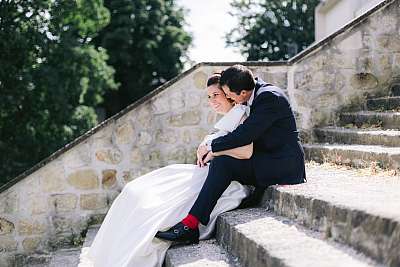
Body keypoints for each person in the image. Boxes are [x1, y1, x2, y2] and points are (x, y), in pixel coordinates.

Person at [78, 74, 253, 267]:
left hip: (220, 177)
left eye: (216, 95)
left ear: (229, 94)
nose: (212, 101)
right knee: (134, 190)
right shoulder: (227, 120)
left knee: (148, 203)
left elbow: (244, 151)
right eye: (209, 97)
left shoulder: (241, 116)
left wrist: (212, 150)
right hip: (205, 172)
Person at [156, 64, 306, 245]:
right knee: (221, 163)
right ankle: (190, 224)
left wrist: (211, 146)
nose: (228, 97)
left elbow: (244, 136)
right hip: (266, 157)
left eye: (228, 94)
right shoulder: (253, 95)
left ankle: (190, 225)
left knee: (222, 162)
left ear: (242, 93)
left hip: (283, 165)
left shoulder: (268, 97)